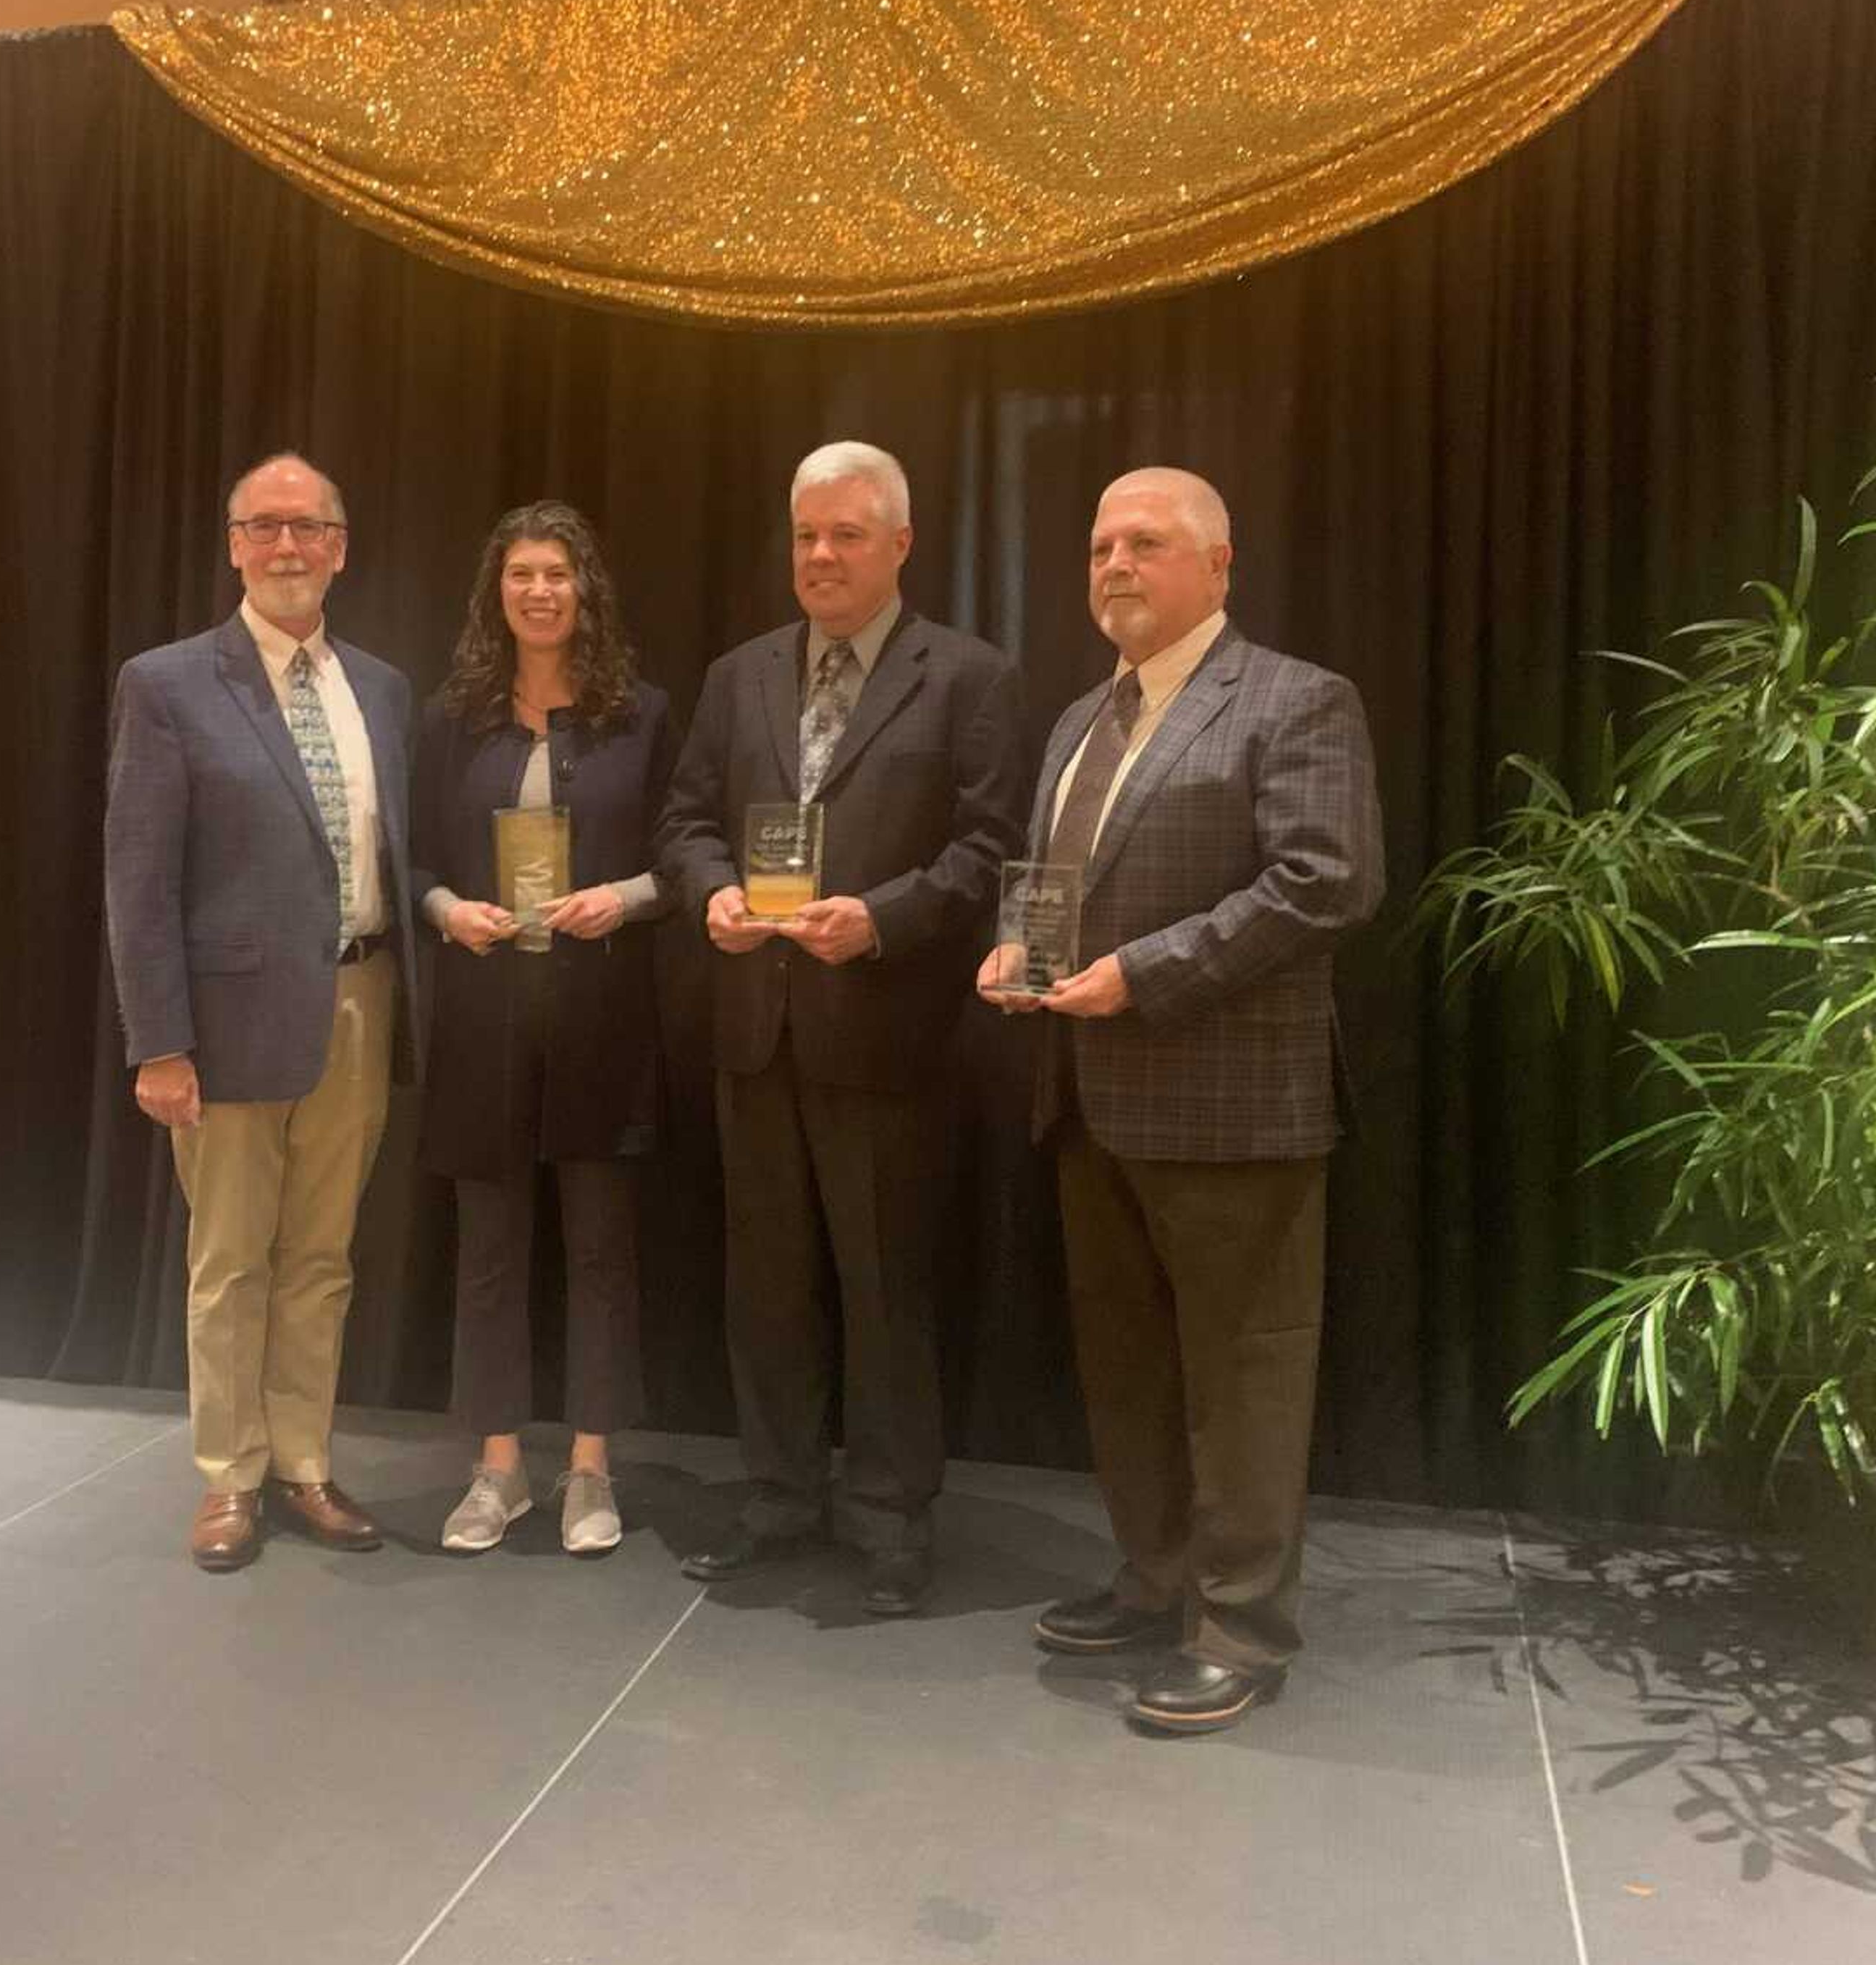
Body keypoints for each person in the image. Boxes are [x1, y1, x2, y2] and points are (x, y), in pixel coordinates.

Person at [979, 467, 1382, 1734]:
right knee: (1130, 1368)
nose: (1113, 565)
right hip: (1090, 1100)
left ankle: (1241, 1625)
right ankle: (1155, 1580)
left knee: (1243, 1378)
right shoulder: (1079, 721)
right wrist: (1018, 955)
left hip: (1233, 1111)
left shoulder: (1296, 700)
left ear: (1217, 565)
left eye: (1144, 543)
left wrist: (1139, 977)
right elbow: (1054, 883)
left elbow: (1325, 882)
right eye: (1099, 544)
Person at [656, 440, 1025, 1616]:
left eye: (846, 535)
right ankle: (777, 1499)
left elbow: (988, 850)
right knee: (764, 1286)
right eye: (806, 535)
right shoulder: (738, 675)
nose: (820, 555)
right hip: (755, 1028)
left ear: (901, 545)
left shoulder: (969, 677)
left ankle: (888, 1523)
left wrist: (879, 919)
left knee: (883, 1289)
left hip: (887, 1032)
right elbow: (685, 819)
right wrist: (711, 885)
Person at [104, 453, 421, 1572]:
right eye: (265, 527)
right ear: (234, 545)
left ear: (342, 545)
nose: (288, 547)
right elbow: (138, 880)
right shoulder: (170, 683)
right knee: (231, 1260)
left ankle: (304, 1462)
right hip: (226, 1027)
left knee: (321, 1256)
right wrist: (159, 1044)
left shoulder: (381, 688)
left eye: (310, 528)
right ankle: (229, 1477)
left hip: (361, 1000)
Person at [413, 502, 676, 1555]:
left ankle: (590, 1471)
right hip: (484, 1018)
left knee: (602, 1250)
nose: (538, 591)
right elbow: (418, 864)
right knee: (489, 1251)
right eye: (520, 573)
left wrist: (629, 897)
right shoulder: (451, 718)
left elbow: (684, 849)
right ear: (497, 592)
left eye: (557, 574)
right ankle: (499, 1471)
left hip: (600, 1021)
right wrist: (445, 912)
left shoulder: (642, 715)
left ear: (586, 591)